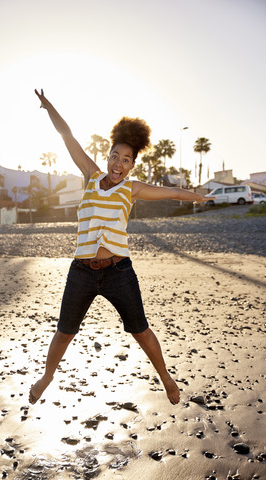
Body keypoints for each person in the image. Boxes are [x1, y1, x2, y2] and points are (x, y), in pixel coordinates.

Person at [29, 89, 208, 406]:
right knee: (65, 331)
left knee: (140, 329)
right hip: (81, 271)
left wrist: (197, 197)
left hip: (118, 272)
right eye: (115, 156)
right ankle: (47, 376)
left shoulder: (132, 188)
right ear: (107, 156)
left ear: (131, 165)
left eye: (126, 160)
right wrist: (49, 108)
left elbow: (170, 193)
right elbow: (67, 137)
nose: (118, 163)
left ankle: (166, 377)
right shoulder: (90, 175)